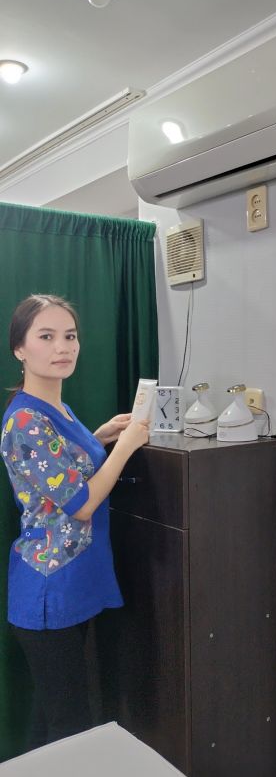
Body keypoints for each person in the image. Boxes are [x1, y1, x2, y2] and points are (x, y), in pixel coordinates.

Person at [1, 294, 149, 750]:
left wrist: (101, 436)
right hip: (50, 590)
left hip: (73, 581)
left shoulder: (56, 409)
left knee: (53, 719)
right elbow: (80, 502)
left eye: (70, 336)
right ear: (20, 349)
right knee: (70, 728)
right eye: (46, 336)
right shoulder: (25, 420)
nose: (62, 347)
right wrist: (126, 446)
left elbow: (66, 467)